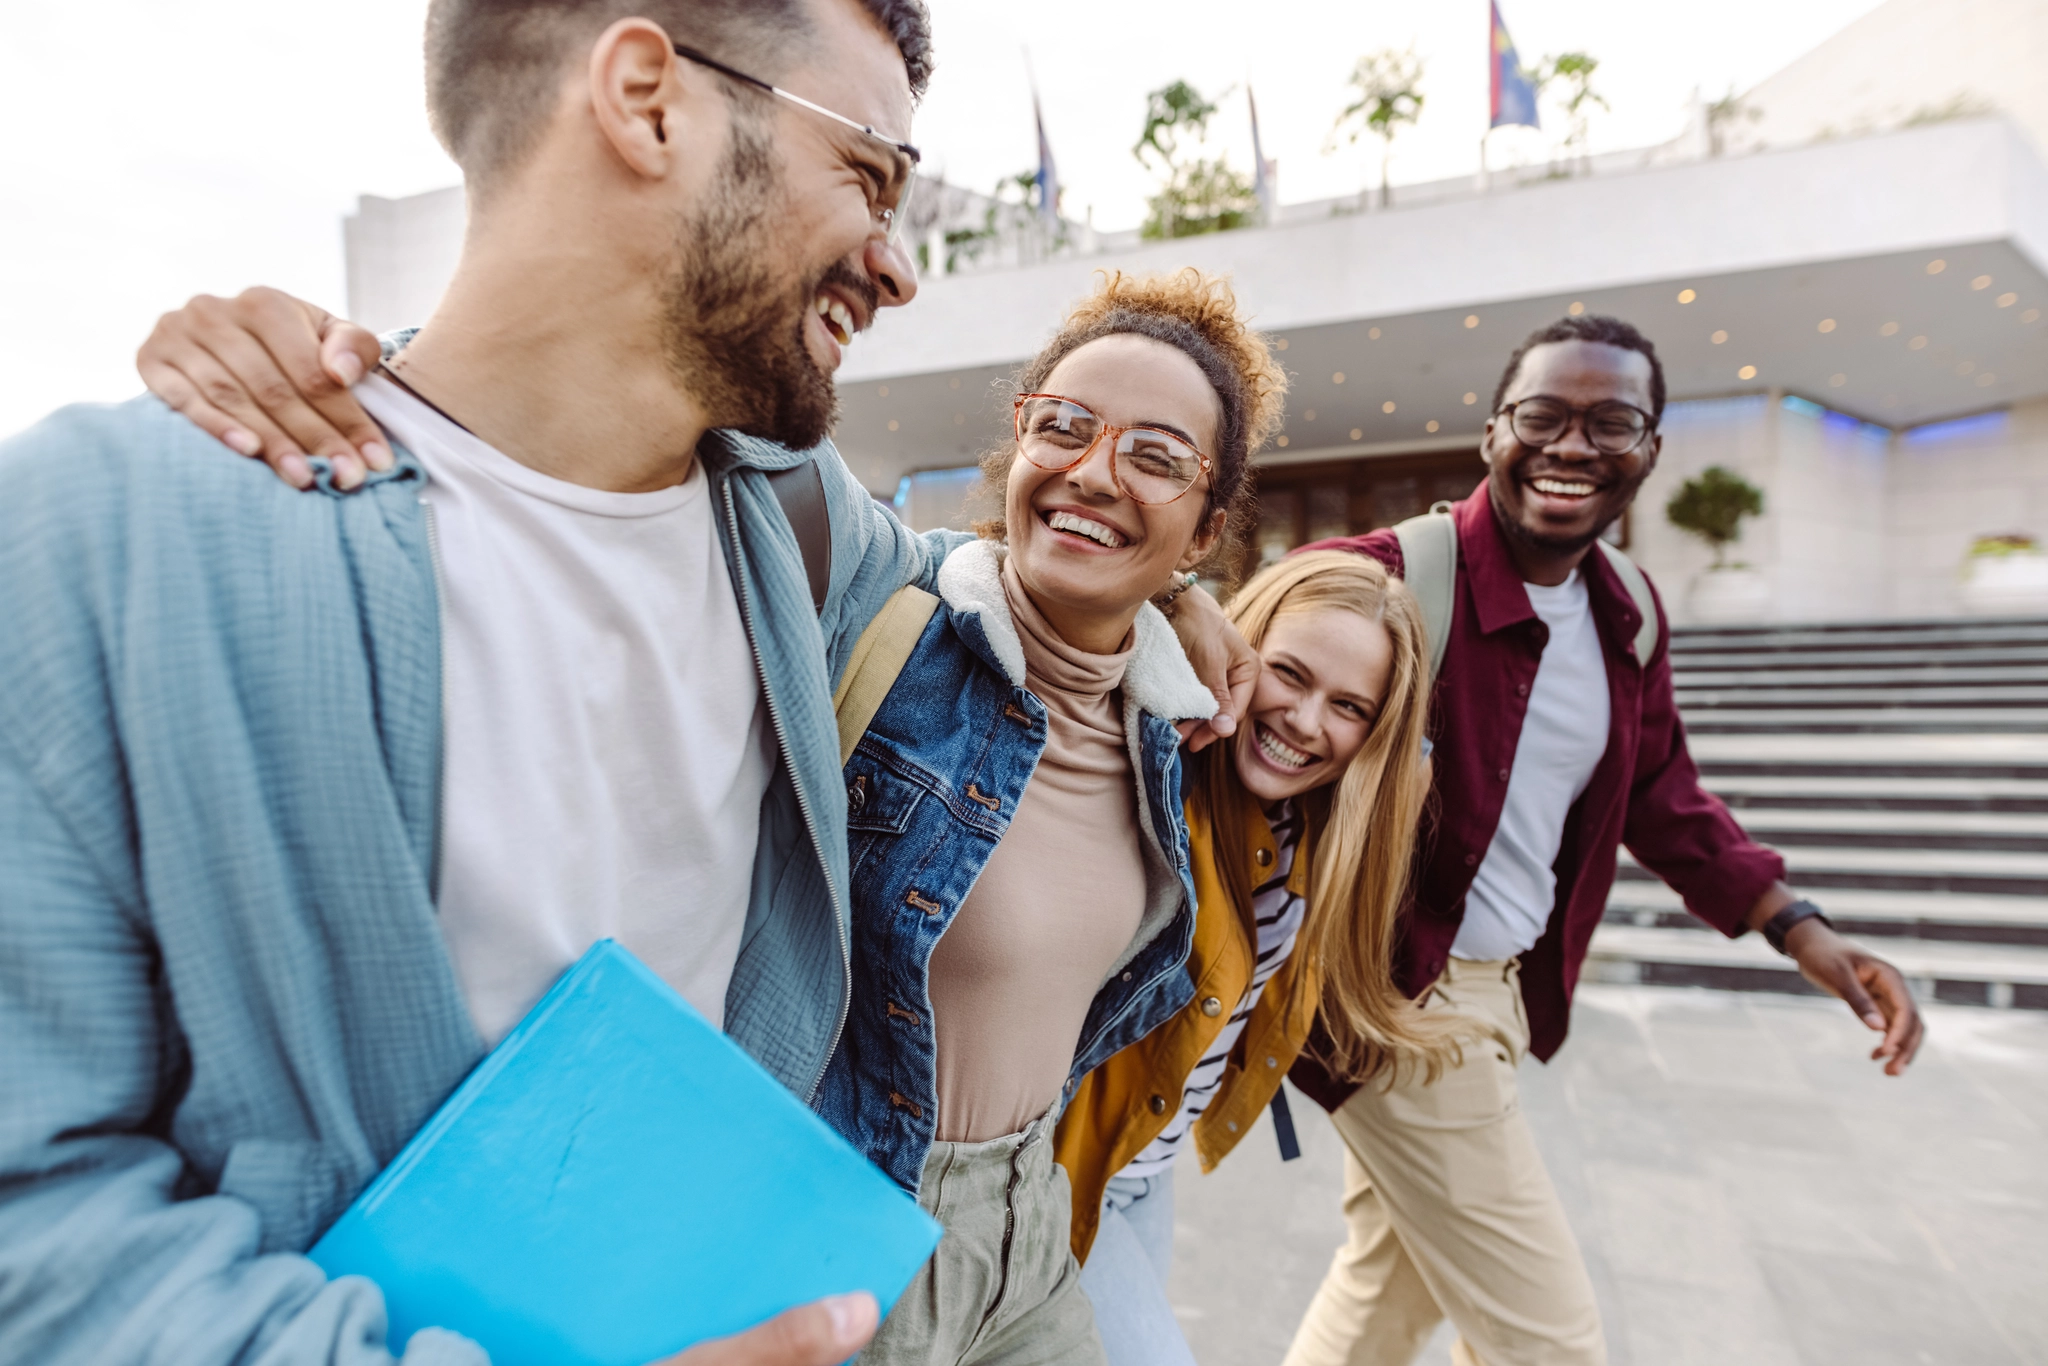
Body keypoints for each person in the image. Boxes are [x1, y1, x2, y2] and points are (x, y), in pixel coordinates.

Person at [0, 3, 1260, 1363]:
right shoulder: (109, 537)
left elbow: (1013, 574)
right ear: (648, 95)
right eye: (871, 177)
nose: (899, 269)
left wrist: (1176, 590)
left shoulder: (798, 533)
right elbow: (38, 1223)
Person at [1279, 314, 1927, 1366]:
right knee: (1551, 1341)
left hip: (1496, 985)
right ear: (1493, 431)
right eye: (1542, 416)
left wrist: (1794, 924)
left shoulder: (1626, 610)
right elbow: (1248, 669)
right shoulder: (1391, 576)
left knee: (1386, 1288)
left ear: (1649, 451)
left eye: (1610, 423)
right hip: (1397, 996)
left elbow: (1660, 792)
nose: (1572, 446)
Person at [821, 267, 1281, 1364]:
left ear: (1206, 527)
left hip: (1032, 1220)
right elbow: (721, 425)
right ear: (1017, 449)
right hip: (858, 1220)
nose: (1092, 471)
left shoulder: (1161, 720)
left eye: (1155, 457)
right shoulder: (890, 616)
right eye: (1063, 427)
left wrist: (1175, 602)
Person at [1055, 550, 1470, 1366]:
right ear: (1239, 652)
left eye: (1350, 706)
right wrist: (1177, 596)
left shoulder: (1321, 830)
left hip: (1149, 1172)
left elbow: (1406, 765)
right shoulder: (1154, 780)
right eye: (1288, 674)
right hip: (1066, 1174)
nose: (1307, 722)